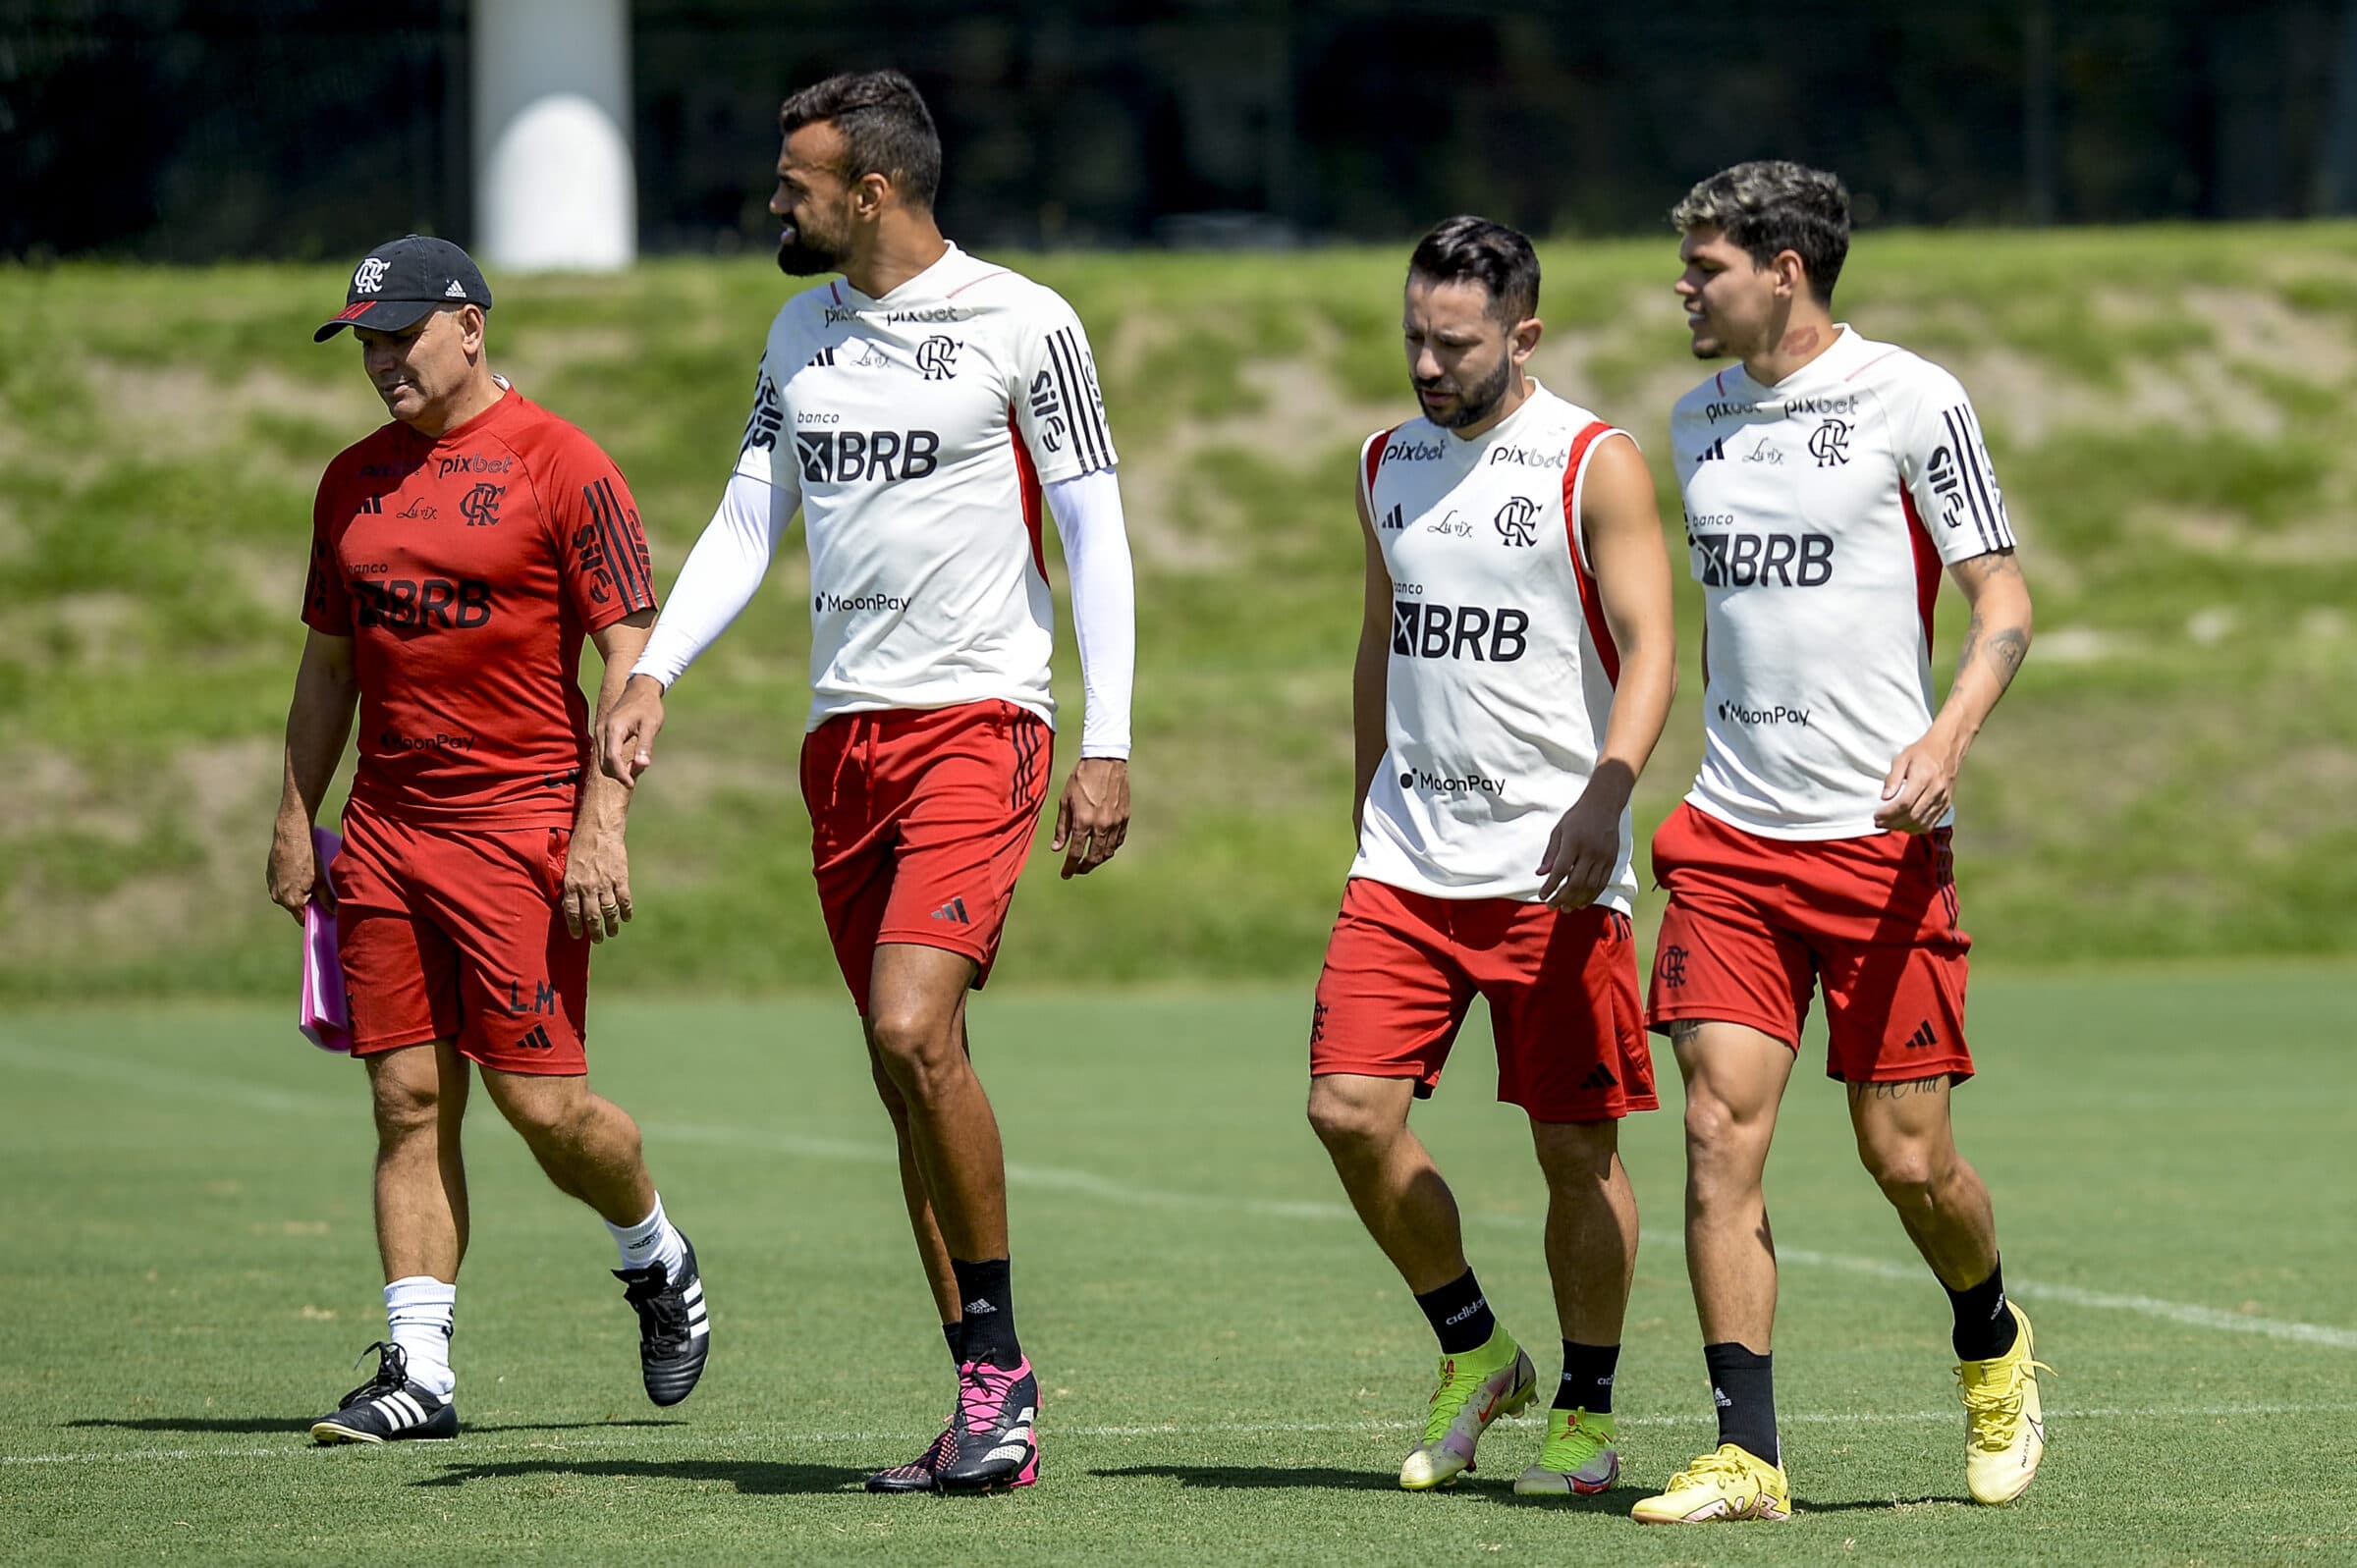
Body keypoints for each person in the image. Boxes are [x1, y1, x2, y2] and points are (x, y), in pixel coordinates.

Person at [599, 71, 1136, 1494]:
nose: (780, 200)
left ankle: (1002, 1372)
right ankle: (983, 1410)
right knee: (906, 1079)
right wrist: (656, 668)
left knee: (913, 1027)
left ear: (874, 190)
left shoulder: (1027, 322)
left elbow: (1097, 532)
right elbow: (747, 513)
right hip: (845, 742)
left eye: (800, 181)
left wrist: (1108, 736)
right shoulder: (798, 331)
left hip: (981, 722)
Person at [1630, 162, 2046, 1524]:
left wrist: (1950, 735)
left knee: (1908, 1157)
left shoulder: (1913, 401)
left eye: (1706, 268)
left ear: (1785, 272)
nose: (1683, 289)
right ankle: (1745, 1449)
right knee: (1711, 1132)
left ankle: (1989, 1336)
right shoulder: (1692, 421)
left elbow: (2004, 596)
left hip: (1876, 847)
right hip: (1734, 843)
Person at [268, 235, 709, 1444]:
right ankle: (418, 1369)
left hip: (519, 832)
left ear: (470, 324)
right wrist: (295, 813)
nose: (379, 360)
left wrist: (601, 822)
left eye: (399, 334)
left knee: (542, 1107)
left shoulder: (563, 465)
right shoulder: (349, 479)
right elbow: (328, 662)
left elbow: (634, 655)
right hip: (386, 831)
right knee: (407, 1098)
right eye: (363, 339)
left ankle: (654, 1252)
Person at [1306, 217, 1677, 1495]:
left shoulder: (1593, 462)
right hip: (1405, 864)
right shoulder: (1383, 460)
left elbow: (1651, 647)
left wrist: (1606, 797)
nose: (1425, 361)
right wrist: (1365, 803)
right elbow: (1380, 641)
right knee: (1346, 1111)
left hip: (1551, 870)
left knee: (1576, 1154)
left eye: (1453, 342)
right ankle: (1476, 1346)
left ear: (1523, 334)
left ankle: (1585, 1398)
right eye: (1413, 334)